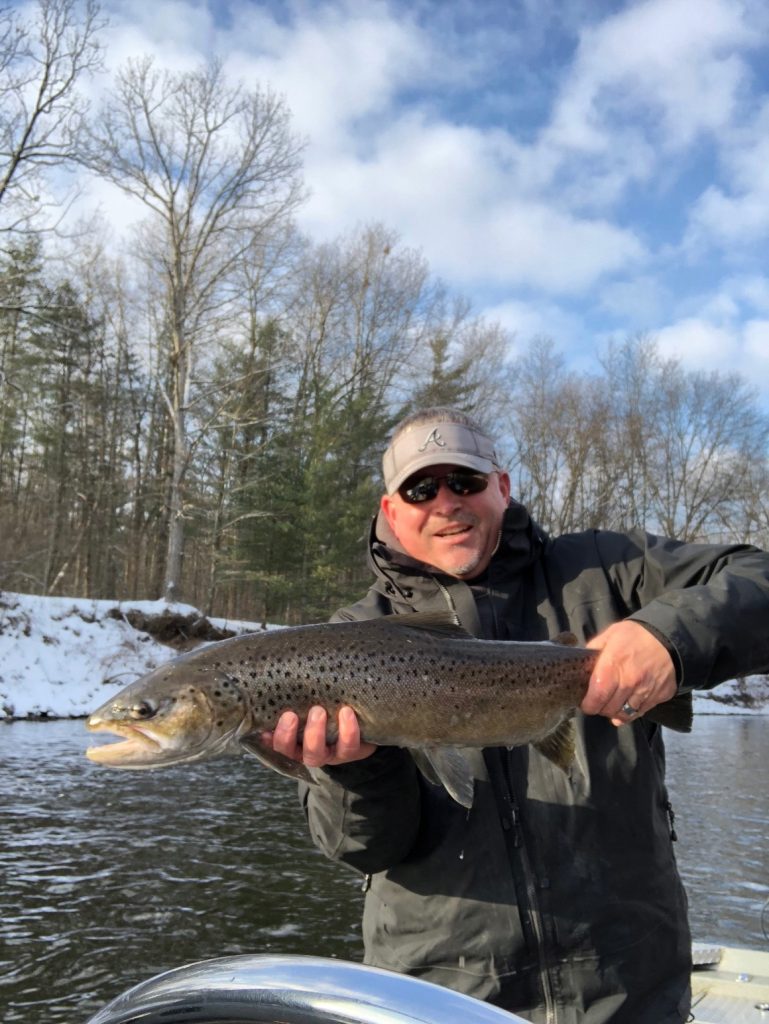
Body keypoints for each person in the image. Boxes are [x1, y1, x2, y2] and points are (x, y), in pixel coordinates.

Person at [265, 406, 769, 1024]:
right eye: (421, 490)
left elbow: (759, 577)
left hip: (628, 985)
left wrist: (669, 638)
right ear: (391, 511)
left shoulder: (607, 570)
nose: (446, 502)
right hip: (444, 997)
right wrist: (356, 771)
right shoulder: (347, 640)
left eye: (465, 481)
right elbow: (363, 849)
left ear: (501, 488)